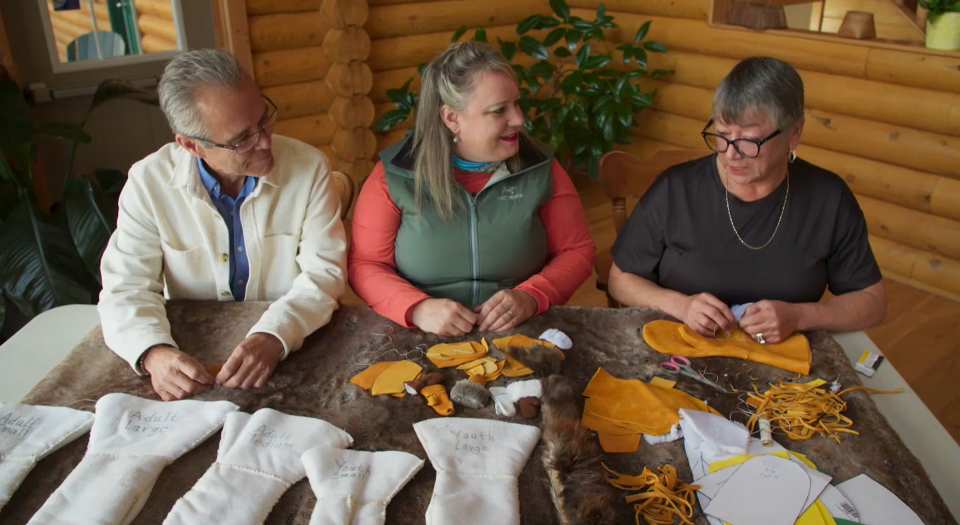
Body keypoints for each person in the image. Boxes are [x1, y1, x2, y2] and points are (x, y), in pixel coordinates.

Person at [98, 49, 347, 401]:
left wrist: (275, 336)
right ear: (190, 145)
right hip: (191, 356)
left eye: (264, 119)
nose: (264, 141)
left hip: (288, 348)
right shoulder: (148, 182)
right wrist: (153, 352)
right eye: (241, 138)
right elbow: (124, 287)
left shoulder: (308, 168)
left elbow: (324, 276)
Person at [608, 56, 885, 344]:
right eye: (723, 135)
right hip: (682, 349)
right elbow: (620, 279)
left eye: (749, 141)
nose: (730, 154)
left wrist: (800, 316)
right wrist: (681, 305)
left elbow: (872, 302)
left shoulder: (829, 198)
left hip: (783, 359)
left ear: (794, 133)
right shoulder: (675, 189)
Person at [349, 42, 595, 336]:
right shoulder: (395, 175)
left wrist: (532, 296)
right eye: (498, 110)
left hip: (521, 329)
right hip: (418, 331)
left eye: (516, 103)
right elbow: (365, 264)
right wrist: (417, 308)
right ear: (452, 118)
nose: (518, 119)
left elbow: (577, 250)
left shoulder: (540, 167)